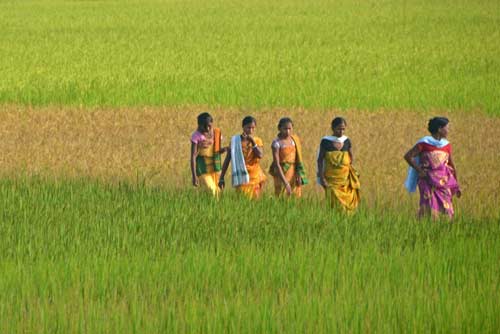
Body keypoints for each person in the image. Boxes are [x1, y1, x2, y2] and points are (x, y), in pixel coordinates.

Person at [404, 117, 461, 219]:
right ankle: (424, 228)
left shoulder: (446, 145)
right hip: (427, 180)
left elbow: (451, 164)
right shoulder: (424, 143)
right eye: (447, 128)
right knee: (428, 207)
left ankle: (443, 230)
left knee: (447, 209)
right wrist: (420, 170)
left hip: (443, 182)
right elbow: (408, 156)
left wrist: (456, 185)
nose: (448, 130)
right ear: (439, 129)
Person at [317, 117, 360, 212]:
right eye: (339, 129)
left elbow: (350, 156)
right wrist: (321, 177)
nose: (341, 131)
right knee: (334, 203)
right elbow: (320, 160)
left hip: (345, 179)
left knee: (347, 204)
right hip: (331, 179)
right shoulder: (326, 141)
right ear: (333, 128)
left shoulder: (346, 141)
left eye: (343, 129)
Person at [218, 116, 266, 199]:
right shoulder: (235, 141)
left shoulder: (257, 141)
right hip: (241, 176)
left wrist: (253, 142)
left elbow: (260, 155)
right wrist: (221, 177)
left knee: (255, 202)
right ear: (243, 127)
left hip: (255, 176)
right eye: (248, 127)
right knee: (243, 199)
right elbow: (227, 159)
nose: (250, 130)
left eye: (253, 128)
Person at [269, 117, 308, 197]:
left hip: (294, 173)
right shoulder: (277, 143)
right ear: (279, 128)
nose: (287, 131)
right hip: (281, 173)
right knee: (282, 196)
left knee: (295, 197)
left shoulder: (294, 140)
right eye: (285, 129)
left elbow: (298, 159)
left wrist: (299, 174)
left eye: (290, 129)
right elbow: (277, 164)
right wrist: (285, 182)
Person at [190, 112, 226, 197]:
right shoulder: (196, 136)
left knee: (218, 192)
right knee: (211, 190)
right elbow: (193, 156)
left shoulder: (216, 133)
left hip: (215, 168)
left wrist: (224, 149)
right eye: (204, 126)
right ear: (199, 125)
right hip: (202, 168)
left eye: (209, 125)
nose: (207, 128)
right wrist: (194, 176)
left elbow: (217, 150)